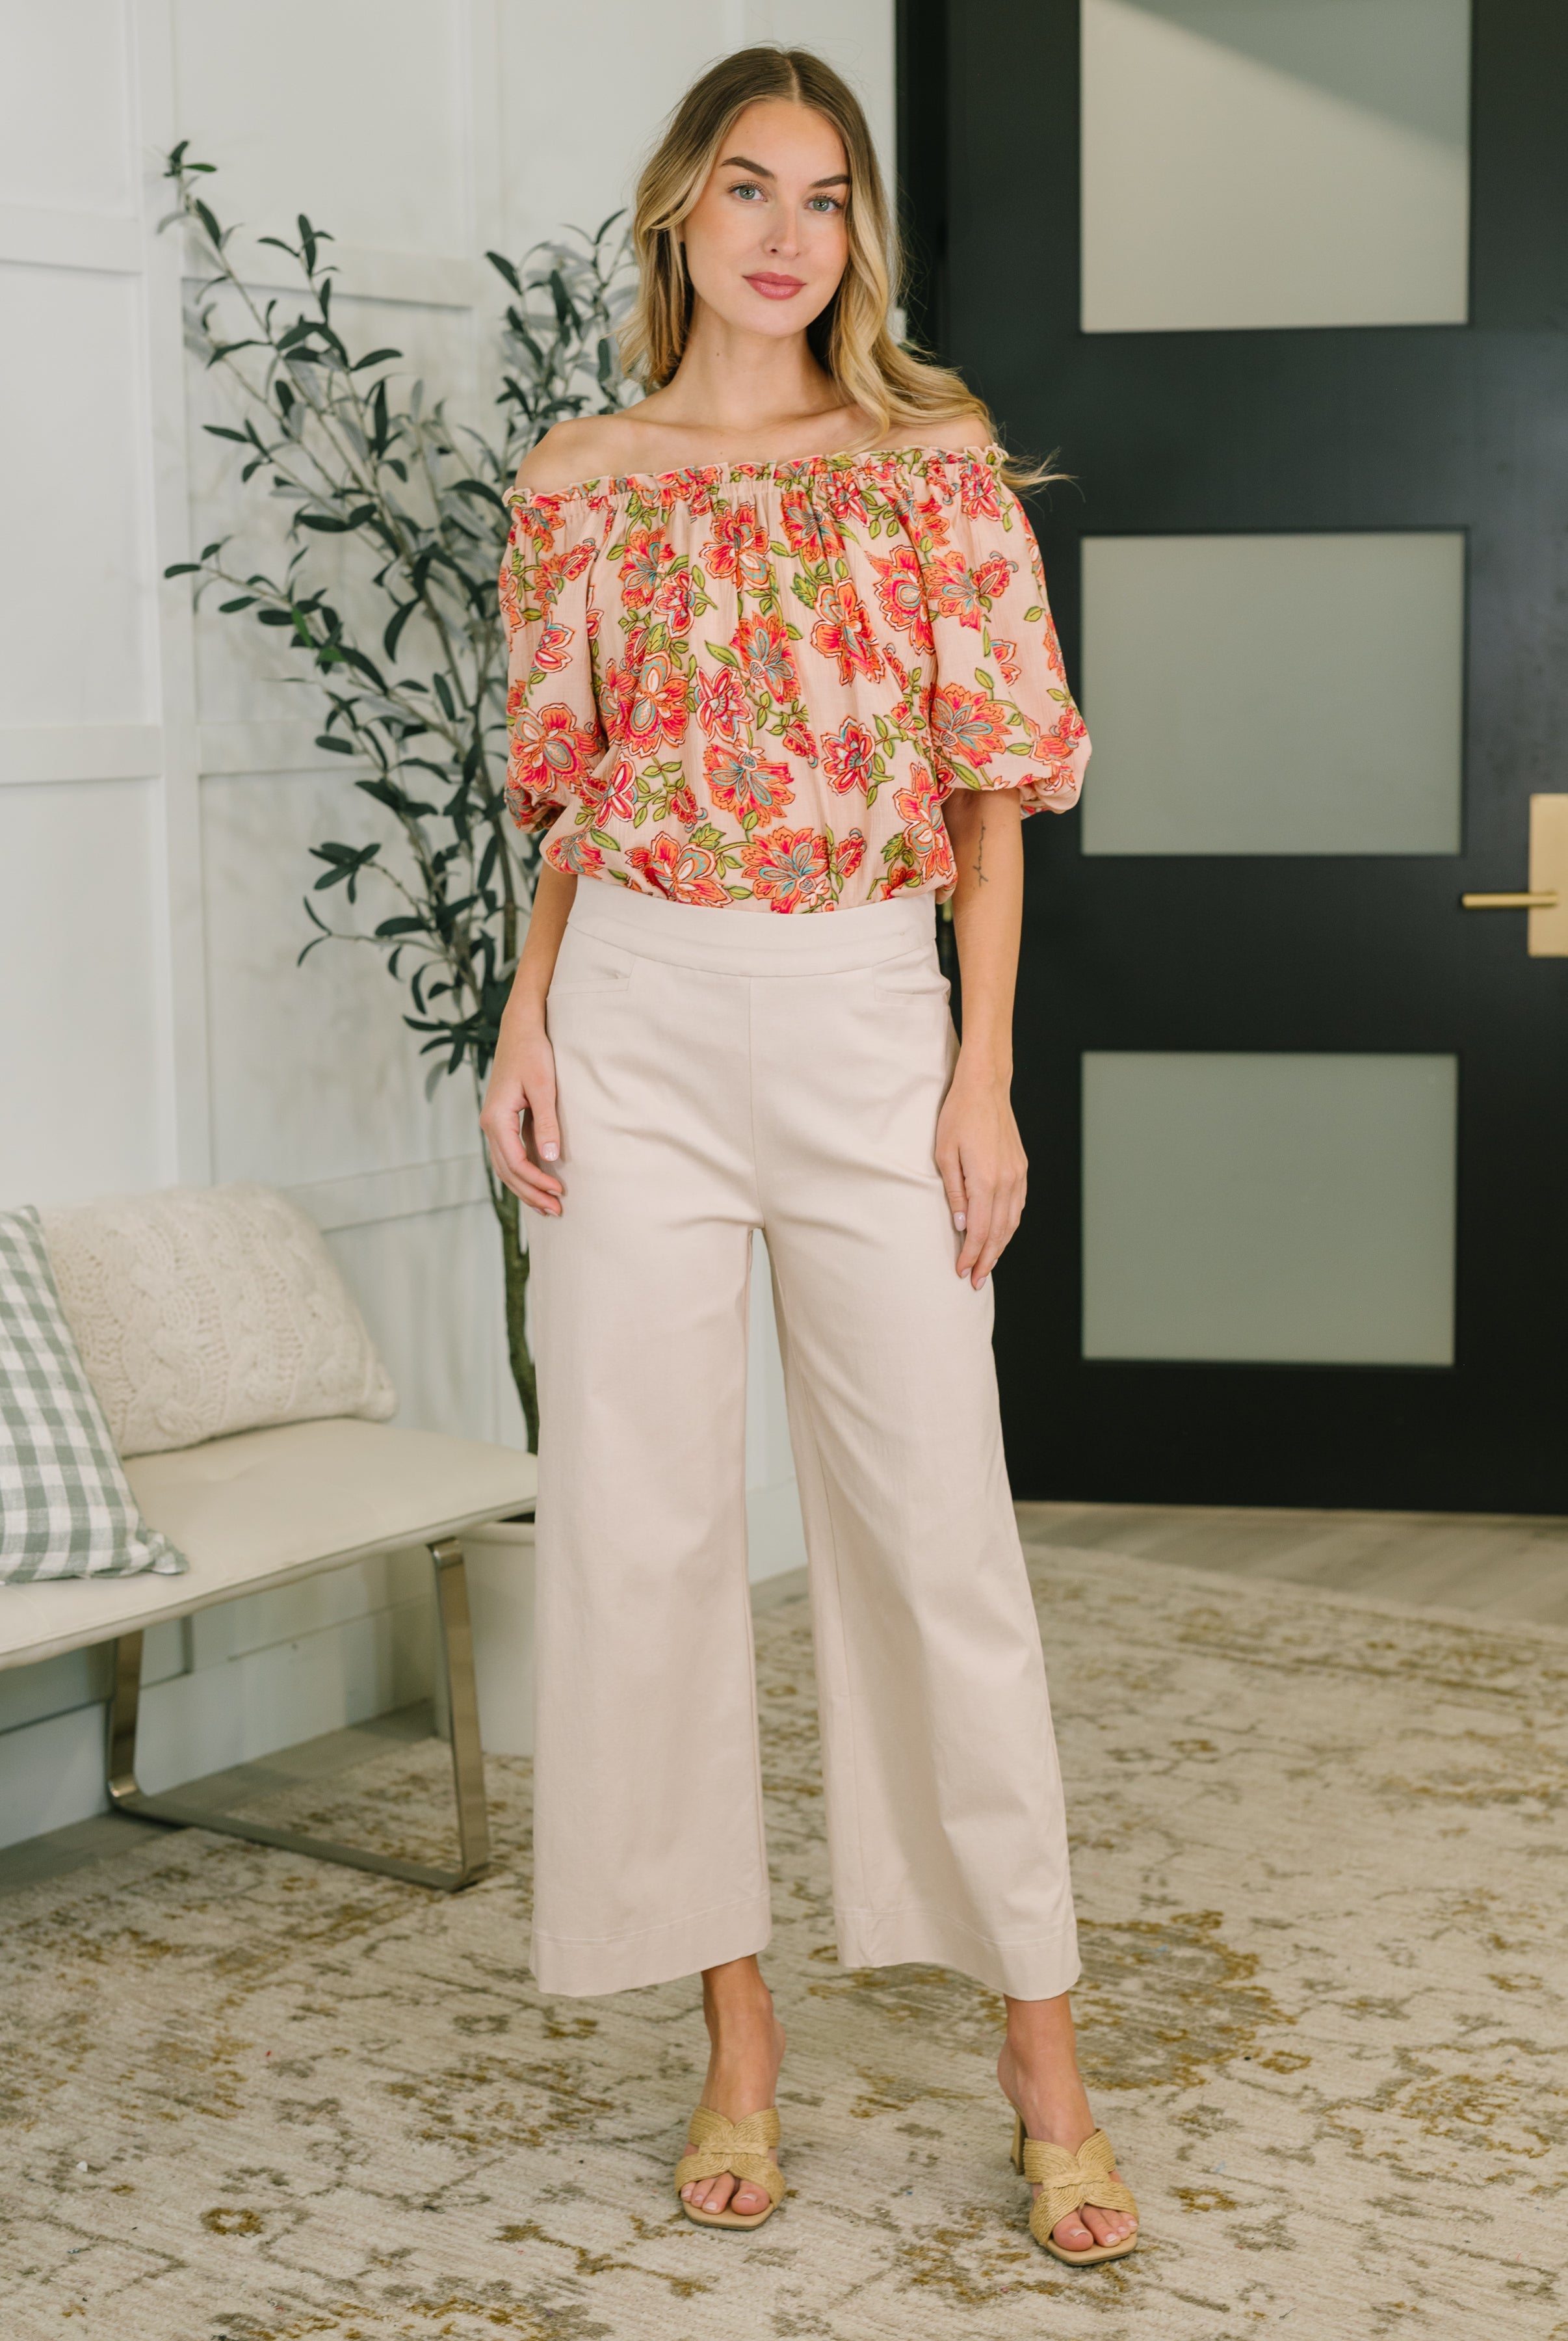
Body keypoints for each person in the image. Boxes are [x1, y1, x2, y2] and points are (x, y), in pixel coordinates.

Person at [481, 42, 1138, 2268]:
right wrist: (522, 1022)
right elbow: (565, 794)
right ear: (678, 212)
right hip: (634, 1019)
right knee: (643, 1541)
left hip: (868, 1016)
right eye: (747, 188)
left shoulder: (928, 467)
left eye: (827, 197)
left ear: (857, 233)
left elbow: (991, 790)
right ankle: (733, 2040)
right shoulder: (582, 476)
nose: (786, 232)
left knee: (934, 1536)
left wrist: (977, 1073)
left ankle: (1041, 2060)